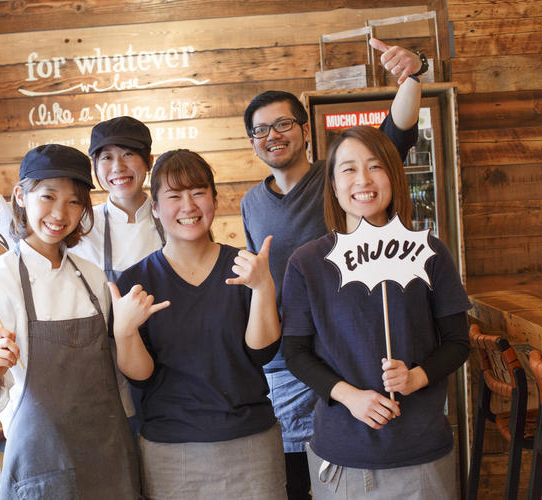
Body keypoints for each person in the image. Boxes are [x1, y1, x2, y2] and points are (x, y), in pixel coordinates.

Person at [240, 38, 427, 499]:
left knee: (353, 475)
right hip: (289, 362)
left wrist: (414, 74)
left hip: (348, 356)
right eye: (261, 130)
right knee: (297, 478)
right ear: (253, 143)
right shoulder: (250, 202)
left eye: (283, 123)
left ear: (305, 130)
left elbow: (396, 132)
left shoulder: (339, 176)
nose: (272, 135)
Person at [281, 125, 470, 498]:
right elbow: (295, 352)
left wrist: (416, 377)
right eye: (349, 169)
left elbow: (458, 342)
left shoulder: (430, 253)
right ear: (334, 185)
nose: (363, 180)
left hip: (421, 452)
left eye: (375, 166)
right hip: (342, 455)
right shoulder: (307, 263)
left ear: (394, 176)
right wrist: (351, 397)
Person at [0, 144, 140, 499]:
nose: (60, 213)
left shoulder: (92, 277)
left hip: (108, 453)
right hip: (41, 463)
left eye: (74, 202)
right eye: (48, 197)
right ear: (21, 196)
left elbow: (116, 375)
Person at [111, 149, 286, 499]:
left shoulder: (245, 267)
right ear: (155, 208)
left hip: (251, 444)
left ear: (215, 200)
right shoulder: (135, 282)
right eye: (174, 196)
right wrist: (125, 330)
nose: (188, 206)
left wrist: (263, 287)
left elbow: (262, 353)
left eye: (198, 192)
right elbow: (141, 376)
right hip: (171, 454)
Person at [0, 99, 164, 282]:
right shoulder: (78, 224)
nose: (118, 167)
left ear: (149, 161)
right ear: (95, 167)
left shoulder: (169, 221)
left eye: (128, 154)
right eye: (107, 157)